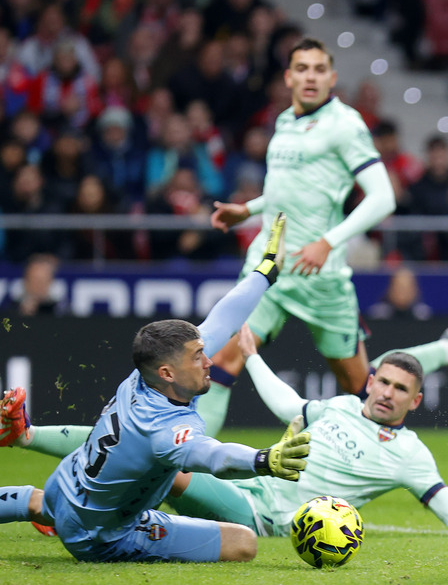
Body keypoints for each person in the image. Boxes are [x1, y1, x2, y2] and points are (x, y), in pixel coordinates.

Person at [3, 326, 448, 542]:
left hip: (264, 515)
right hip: (248, 483)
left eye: (400, 389)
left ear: (415, 402)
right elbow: (286, 403)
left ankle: (70, 505)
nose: (387, 392)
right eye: (383, 381)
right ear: (371, 382)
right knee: (145, 452)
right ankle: (42, 463)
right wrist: (250, 357)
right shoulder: (342, 406)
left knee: (165, 466)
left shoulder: (412, 456)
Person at [206, 38, 448, 439]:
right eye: (302, 68)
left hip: (320, 277)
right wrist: (251, 209)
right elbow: (290, 189)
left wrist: (327, 242)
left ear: (332, 78)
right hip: (270, 267)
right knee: (224, 358)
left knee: (361, 388)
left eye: (319, 69)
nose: (310, 76)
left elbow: (383, 198)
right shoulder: (285, 121)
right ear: (289, 77)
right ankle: (186, 468)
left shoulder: (345, 125)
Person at [0, 214, 314, 563]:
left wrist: (266, 272)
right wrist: (263, 460)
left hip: (63, 489)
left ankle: (34, 503)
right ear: (168, 372)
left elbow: (222, 320)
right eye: (199, 358)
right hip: (100, 537)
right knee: (243, 543)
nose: (209, 362)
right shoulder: (165, 429)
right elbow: (213, 457)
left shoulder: (143, 375)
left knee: (61, 499)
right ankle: (61, 516)